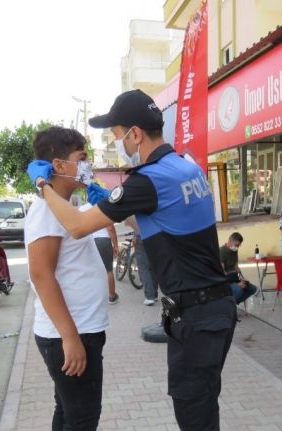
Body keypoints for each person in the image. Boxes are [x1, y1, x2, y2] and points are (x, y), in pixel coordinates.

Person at [27, 89, 236, 430]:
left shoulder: (147, 180)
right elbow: (157, 220)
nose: (116, 141)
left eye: (116, 134)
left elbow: (78, 226)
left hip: (196, 317)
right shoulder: (185, 166)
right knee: (203, 405)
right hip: (214, 311)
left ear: (135, 134)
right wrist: (114, 204)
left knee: (195, 415)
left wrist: (42, 184)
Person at [25, 127, 108, 430]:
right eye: (82, 159)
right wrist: (70, 337)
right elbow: (40, 274)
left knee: (68, 412)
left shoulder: (64, 206)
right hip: (71, 333)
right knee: (83, 418)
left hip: (80, 329)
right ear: (59, 165)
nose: (88, 166)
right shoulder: (47, 210)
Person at [79, 202, 120, 304]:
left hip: (89, 241)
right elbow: (110, 228)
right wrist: (115, 245)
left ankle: (92, 296)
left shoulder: (83, 208)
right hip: (103, 241)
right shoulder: (104, 206)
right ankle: (111, 296)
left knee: (90, 270)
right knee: (108, 270)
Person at [124, 216, 159, 306]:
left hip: (142, 238)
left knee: (144, 268)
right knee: (152, 266)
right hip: (155, 237)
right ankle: (154, 294)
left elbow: (135, 223)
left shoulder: (138, 207)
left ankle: (149, 297)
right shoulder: (151, 205)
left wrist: (135, 235)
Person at [220, 232, 257, 305]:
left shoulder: (234, 250)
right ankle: (229, 305)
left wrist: (242, 278)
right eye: (237, 245)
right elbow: (222, 273)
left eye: (239, 245)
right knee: (239, 290)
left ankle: (234, 303)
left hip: (234, 278)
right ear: (230, 241)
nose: (237, 247)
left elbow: (236, 266)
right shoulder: (221, 251)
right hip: (226, 282)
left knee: (252, 289)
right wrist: (237, 284)